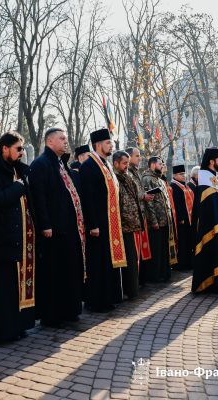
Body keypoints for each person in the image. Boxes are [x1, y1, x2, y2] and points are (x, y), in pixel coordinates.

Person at [0, 131, 36, 340]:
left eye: (22, 149)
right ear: (5, 148)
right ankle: (3, 332)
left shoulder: (16, 169)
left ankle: (17, 327)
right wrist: (19, 187)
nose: (21, 153)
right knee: (1, 290)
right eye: (18, 149)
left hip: (18, 241)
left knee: (14, 288)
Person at [28, 128, 85, 327]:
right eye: (62, 139)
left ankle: (70, 309)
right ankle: (53, 315)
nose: (65, 142)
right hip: (54, 230)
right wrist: (45, 224)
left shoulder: (61, 163)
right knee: (55, 273)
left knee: (69, 270)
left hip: (69, 228)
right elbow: (39, 197)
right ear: (50, 141)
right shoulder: (41, 164)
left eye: (66, 138)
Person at [79, 128, 127, 312]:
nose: (111, 145)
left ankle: (110, 296)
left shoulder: (105, 164)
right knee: (99, 262)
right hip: (98, 225)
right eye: (108, 143)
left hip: (110, 222)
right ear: (98, 145)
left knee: (108, 261)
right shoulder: (89, 166)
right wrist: (93, 224)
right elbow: (87, 197)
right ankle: (98, 300)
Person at [191, 147, 218, 293]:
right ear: (211, 161)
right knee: (211, 249)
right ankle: (210, 284)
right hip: (209, 225)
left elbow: (215, 198)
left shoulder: (213, 175)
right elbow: (207, 203)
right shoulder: (204, 176)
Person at [113, 151, 143, 299]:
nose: (126, 166)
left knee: (132, 259)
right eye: (124, 163)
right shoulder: (114, 178)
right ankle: (127, 290)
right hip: (121, 226)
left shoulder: (127, 177)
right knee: (126, 261)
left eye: (127, 163)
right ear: (116, 163)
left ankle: (132, 290)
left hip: (131, 225)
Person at [142, 157, 176, 283]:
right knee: (156, 249)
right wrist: (154, 221)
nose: (162, 166)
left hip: (165, 220)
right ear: (152, 164)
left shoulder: (160, 179)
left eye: (163, 163)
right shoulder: (147, 179)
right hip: (156, 222)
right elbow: (149, 203)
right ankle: (154, 275)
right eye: (160, 164)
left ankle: (164, 273)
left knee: (163, 249)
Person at [126, 147, 154, 286]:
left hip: (141, 214)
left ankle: (142, 278)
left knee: (143, 249)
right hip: (133, 217)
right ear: (129, 157)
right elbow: (130, 193)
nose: (140, 158)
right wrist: (144, 196)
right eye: (137, 156)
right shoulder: (127, 173)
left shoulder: (136, 172)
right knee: (136, 250)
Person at [171, 164, 195, 271]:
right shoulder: (174, 186)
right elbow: (176, 203)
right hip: (182, 219)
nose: (183, 176)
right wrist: (180, 218)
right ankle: (181, 264)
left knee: (189, 241)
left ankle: (189, 262)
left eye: (184, 174)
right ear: (175, 175)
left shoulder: (185, 185)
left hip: (189, 218)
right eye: (181, 174)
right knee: (182, 242)